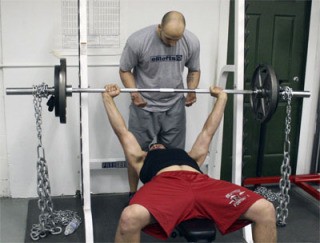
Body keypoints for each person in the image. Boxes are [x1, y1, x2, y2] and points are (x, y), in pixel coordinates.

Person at [102, 84, 277, 243]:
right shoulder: (141, 158)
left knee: (265, 209)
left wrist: (222, 98)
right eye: (152, 146)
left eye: (159, 144)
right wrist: (107, 98)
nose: (156, 144)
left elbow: (208, 131)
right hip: (165, 187)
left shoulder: (190, 157)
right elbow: (122, 132)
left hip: (203, 184)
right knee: (129, 217)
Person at [119, 10, 201, 195]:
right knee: (135, 153)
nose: (173, 43)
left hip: (174, 105)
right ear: (159, 27)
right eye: (169, 38)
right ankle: (134, 193)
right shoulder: (138, 41)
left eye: (177, 39)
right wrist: (134, 93)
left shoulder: (191, 41)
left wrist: (191, 90)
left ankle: (172, 195)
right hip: (144, 105)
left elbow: (194, 70)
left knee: (175, 154)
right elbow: (125, 70)